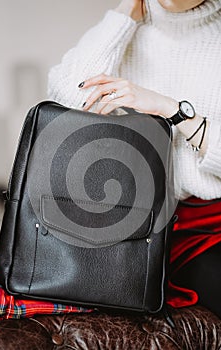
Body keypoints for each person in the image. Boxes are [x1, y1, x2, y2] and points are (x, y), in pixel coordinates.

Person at [48, 0, 221, 318]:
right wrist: (124, 13)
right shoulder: (123, 28)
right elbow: (66, 99)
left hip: (210, 224)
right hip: (136, 221)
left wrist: (171, 109)